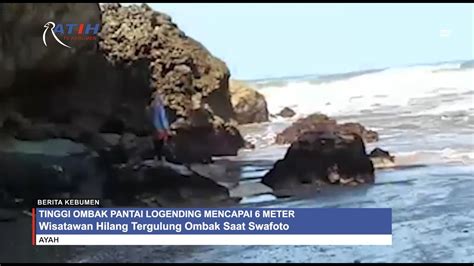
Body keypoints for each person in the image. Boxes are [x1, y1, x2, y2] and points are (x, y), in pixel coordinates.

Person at [151, 94, 172, 161]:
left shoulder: (152, 108)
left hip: (154, 130)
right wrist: (166, 129)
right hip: (160, 129)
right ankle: (161, 159)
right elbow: (163, 119)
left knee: (156, 145)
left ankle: (157, 158)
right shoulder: (160, 108)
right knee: (161, 145)